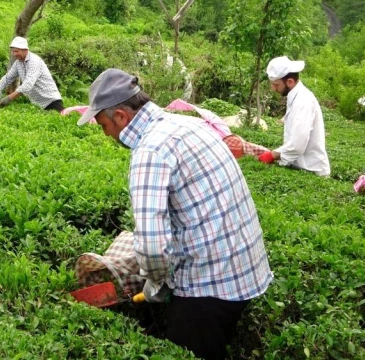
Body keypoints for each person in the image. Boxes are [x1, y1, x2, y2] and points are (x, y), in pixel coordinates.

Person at [77, 68, 273, 360]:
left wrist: (154, 286)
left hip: (210, 288)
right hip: (246, 270)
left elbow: (153, 246)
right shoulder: (188, 124)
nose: (105, 133)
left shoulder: (150, 152)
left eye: (102, 124)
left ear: (120, 116)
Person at [259, 56, 331, 176]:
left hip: (311, 170)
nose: (273, 88)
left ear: (290, 82)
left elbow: (297, 145)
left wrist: (271, 155)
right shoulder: (295, 96)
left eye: (276, 85)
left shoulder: (303, 101)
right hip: (300, 166)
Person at [0, 36, 64, 112]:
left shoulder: (34, 61)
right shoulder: (18, 63)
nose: (14, 54)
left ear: (25, 50)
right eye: (13, 51)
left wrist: (9, 98)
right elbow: (7, 78)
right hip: (38, 104)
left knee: (61, 119)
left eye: (17, 51)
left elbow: (28, 84)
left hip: (51, 101)